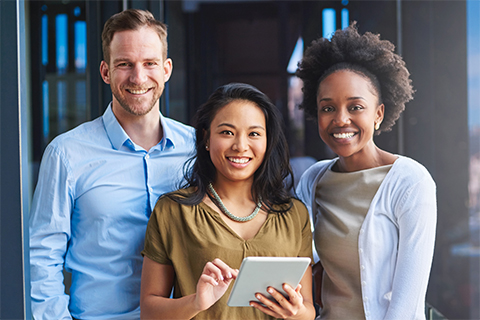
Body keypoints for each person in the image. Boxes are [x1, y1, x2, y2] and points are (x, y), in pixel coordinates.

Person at [29, 9, 195, 320]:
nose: (138, 77)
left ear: (167, 69)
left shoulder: (197, 149)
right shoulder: (67, 154)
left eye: (149, 64)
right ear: (105, 72)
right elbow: (42, 257)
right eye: (124, 64)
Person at [295, 23, 437, 319]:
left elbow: (407, 303)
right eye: (328, 108)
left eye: (355, 106)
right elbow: (299, 261)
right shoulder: (313, 180)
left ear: (379, 114)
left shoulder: (410, 182)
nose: (340, 119)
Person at [140, 83, 316, 320]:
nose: (240, 146)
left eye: (254, 134)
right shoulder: (174, 211)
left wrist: (295, 311)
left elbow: (308, 310)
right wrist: (196, 302)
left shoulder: (294, 214)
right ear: (206, 138)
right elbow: (150, 312)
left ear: (268, 141)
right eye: (227, 132)